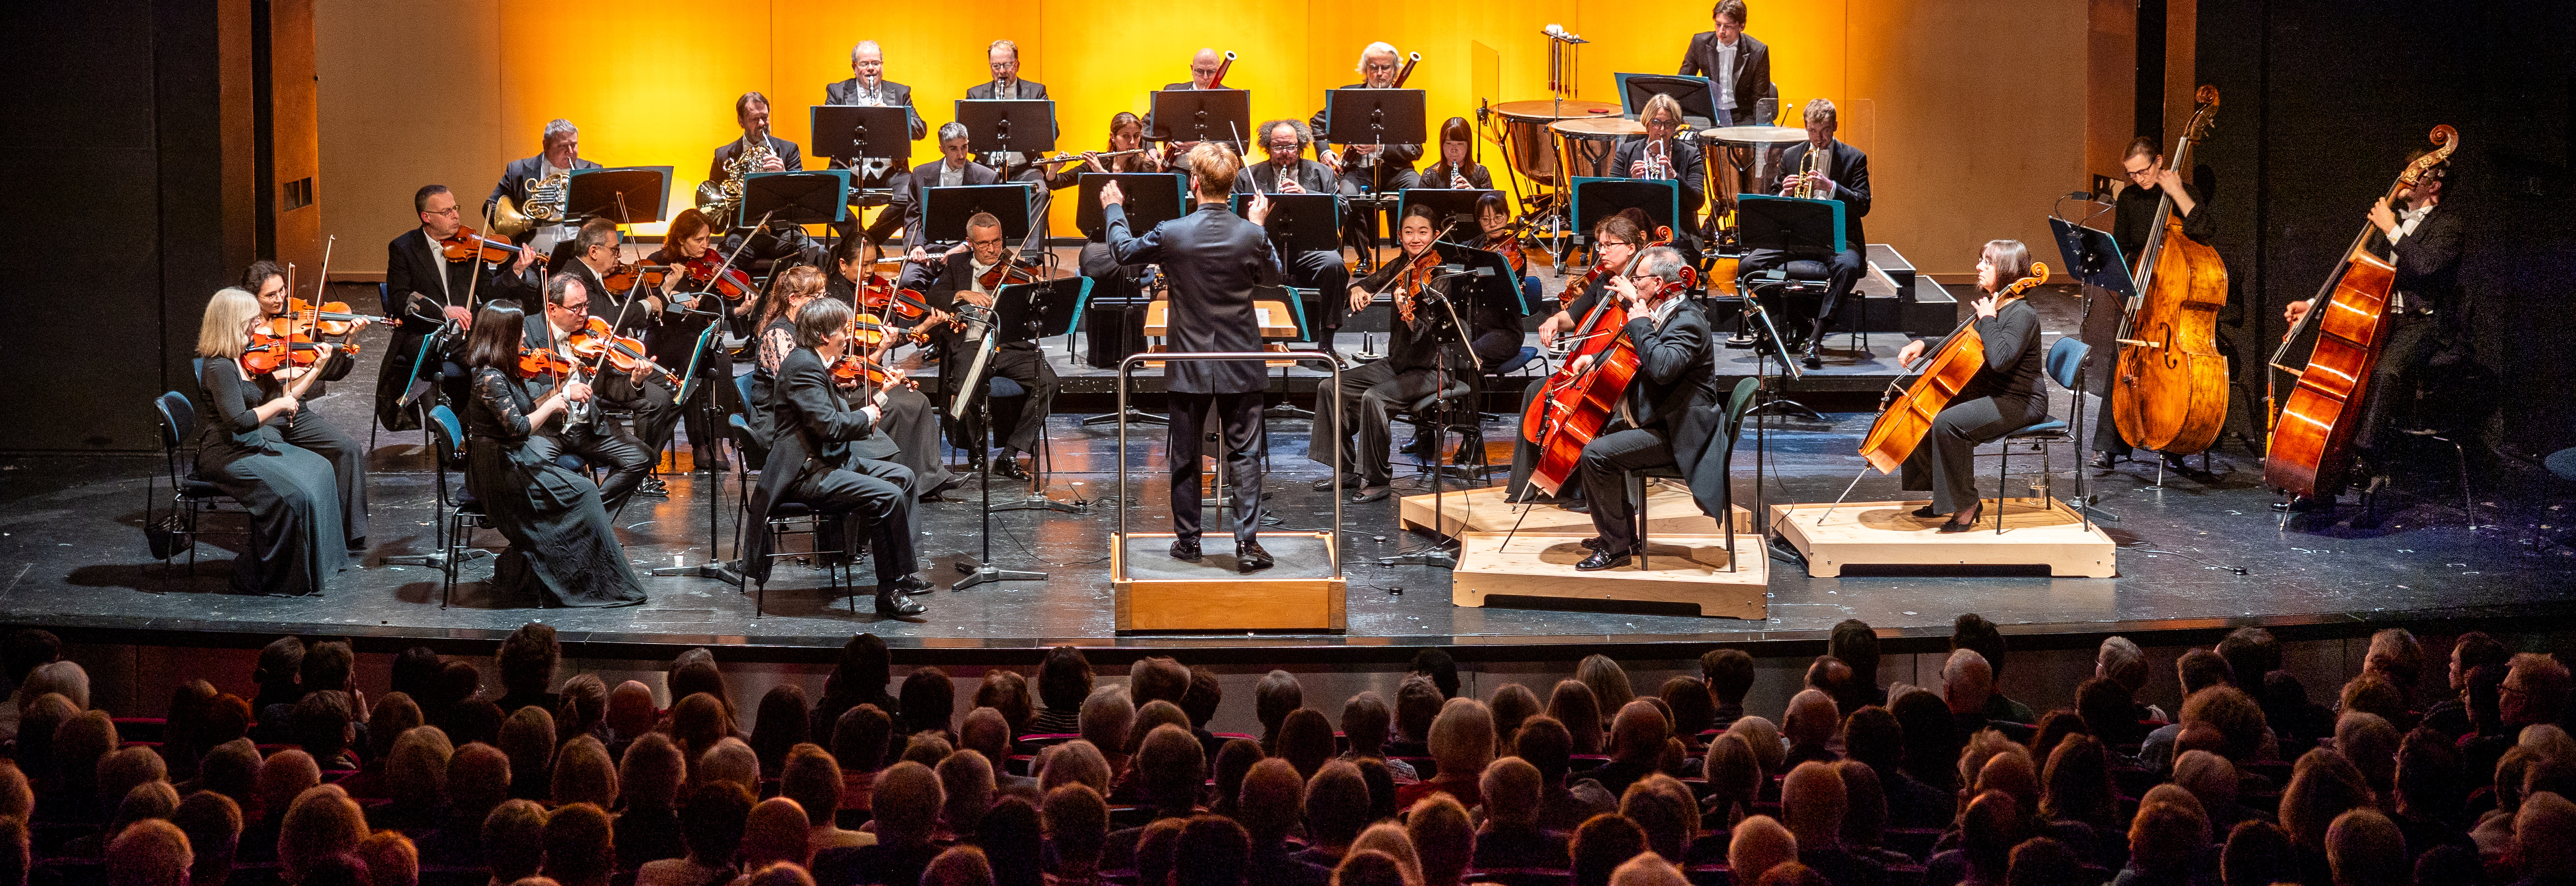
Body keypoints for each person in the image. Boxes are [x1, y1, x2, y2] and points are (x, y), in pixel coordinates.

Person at [1100, 141, 1282, 571]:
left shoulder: (1174, 231)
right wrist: (1259, 225)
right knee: (1245, 455)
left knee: (1185, 454)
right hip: (1242, 359)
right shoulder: (1251, 233)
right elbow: (1274, 278)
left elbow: (1124, 254)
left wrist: (1114, 209)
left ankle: (1188, 542)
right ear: (1232, 185)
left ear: (1194, 184)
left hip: (1188, 359)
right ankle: (1247, 543)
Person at [2277, 148, 2460, 512]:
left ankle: (2364, 460)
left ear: (2434, 184)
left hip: (2420, 323)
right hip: (2377, 318)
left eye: (2416, 175)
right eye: (2406, 171)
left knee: (2385, 371)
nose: (2407, 179)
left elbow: (2425, 267)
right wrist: (2316, 303)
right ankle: (2319, 476)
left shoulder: (2448, 225)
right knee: (2345, 376)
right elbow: (2359, 275)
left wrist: (2391, 228)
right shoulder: (2390, 221)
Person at [735, 295, 931, 616]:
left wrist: (876, 402)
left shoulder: (814, 363)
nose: (848, 337)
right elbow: (830, 427)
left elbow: (834, 420)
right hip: (806, 472)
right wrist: (870, 412)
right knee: (888, 496)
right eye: (844, 330)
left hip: (827, 458)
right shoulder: (802, 368)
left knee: (903, 477)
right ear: (825, 336)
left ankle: (901, 573)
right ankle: (889, 591)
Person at [455, 301, 647, 608]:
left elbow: (526, 409)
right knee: (583, 493)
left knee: (583, 490)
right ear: (503, 336)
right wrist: (555, 400)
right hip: (500, 470)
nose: (523, 340)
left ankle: (584, 576)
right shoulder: (488, 378)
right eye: (518, 334)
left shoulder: (504, 371)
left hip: (513, 459)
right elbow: (519, 427)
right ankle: (589, 582)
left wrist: (563, 393)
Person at [1565, 245, 1722, 570]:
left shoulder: (1688, 322)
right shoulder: (1663, 311)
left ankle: (1616, 547)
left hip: (1680, 434)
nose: (1634, 283)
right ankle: (1623, 535)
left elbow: (1662, 367)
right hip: (1662, 419)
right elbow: (1637, 355)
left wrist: (1639, 323)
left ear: (1660, 284)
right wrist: (1594, 360)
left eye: (1639, 278)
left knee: (1596, 455)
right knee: (1600, 434)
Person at [190, 288, 350, 595]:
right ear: (232, 323)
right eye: (251, 321)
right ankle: (278, 577)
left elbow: (282, 397)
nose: (258, 326)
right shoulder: (219, 366)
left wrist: (316, 369)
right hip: (227, 452)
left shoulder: (245, 355)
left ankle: (323, 565)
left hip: (250, 442)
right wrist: (278, 407)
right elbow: (239, 421)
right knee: (297, 495)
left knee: (321, 469)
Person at [1893, 240, 2047, 531]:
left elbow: (2001, 360)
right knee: (1924, 410)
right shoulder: (1997, 304)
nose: (1979, 267)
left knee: (1948, 423)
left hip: (2020, 400)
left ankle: (1966, 504)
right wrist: (1923, 344)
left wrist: (1988, 319)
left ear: (2007, 270)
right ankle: (1945, 498)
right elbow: (1965, 344)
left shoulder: (2021, 314)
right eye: (1982, 260)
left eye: (1987, 263)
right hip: (1993, 391)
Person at [2092, 136, 2218, 470]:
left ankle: (2173, 441)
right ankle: (2109, 445)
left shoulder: (2187, 192)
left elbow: (2205, 230)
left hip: (2173, 293)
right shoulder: (2130, 198)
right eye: (2131, 174)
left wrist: (2176, 192)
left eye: (2143, 172)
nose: (2138, 179)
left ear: (2160, 162)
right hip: (2142, 289)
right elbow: (2121, 244)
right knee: (2123, 358)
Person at [1314, 205, 1454, 504]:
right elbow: (1369, 282)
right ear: (1400, 237)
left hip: (1433, 369)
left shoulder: (1442, 276)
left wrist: (1409, 315)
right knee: (1330, 387)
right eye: (1409, 232)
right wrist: (1357, 289)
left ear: (1436, 235)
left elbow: (1431, 332)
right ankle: (1347, 470)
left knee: (1373, 398)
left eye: (1423, 232)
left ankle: (1378, 479)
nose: (1416, 239)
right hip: (1399, 363)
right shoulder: (1402, 266)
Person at [1507, 213, 1647, 505]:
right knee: (1538, 390)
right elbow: (1573, 316)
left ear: (1632, 248)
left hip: (1628, 374)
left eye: (1610, 245)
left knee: (1592, 411)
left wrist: (1635, 298)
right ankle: (1531, 483)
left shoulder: (1645, 284)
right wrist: (1555, 321)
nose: (1602, 251)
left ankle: (1584, 489)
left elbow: (1653, 329)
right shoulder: (1604, 282)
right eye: (1600, 245)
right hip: (1591, 367)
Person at [379, 183, 544, 431]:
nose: (456, 215)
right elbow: (401, 299)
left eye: (455, 208)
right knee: (477, 366)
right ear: (427, 218)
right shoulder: (404, 249)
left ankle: (490, 425)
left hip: (467, 331)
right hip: (427, 333)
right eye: (447, 212)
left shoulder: (469, 246)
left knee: (497, 359)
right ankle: (462, 431)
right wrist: (444, 311)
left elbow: (489, 292)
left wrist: (516, 271)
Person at [914, 211, 1060, 480]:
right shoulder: (958, 264)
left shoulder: (1015, 266)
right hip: (971, 342)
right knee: (966, 386)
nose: (993, 249)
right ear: (970, 242)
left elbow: (1035, 313)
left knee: (1049, 381)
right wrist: (961, 294)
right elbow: (933, 295)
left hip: (1009, 344)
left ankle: (1010, 454)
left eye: (997, 241)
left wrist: (1035, 292)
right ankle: (975, 448)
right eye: (984, 244)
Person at [241, 262, 372, 551]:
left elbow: (332, 372)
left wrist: (350, 338)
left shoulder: (298, 325)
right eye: (271, 296)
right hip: (263, 417)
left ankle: (351, 535)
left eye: (282, 291)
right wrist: (276, 373)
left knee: (348, 448)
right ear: (253, 297)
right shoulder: (240, 328)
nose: (280, 300)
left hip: (295, 413)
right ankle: (297, 538)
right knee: (286, 460)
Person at [821, 236, 959, 500]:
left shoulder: (871, 292)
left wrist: (926, 325)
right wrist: (882, 349)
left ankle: (928, 480)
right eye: (864, 265)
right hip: (846, 386)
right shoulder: (833, 301)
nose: (871, 272)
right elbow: (846, 364)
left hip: (869, 378)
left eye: (874, 264)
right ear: (842, 265)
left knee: (917, 400)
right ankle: (897, 479)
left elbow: (894, 334)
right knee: (901, 404)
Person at [1737, 99, 1871, 368]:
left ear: (1835, 126)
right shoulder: (1791, 156)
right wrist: (1784, 193)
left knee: (1848, 267)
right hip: (1796, 235)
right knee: (1748, 266)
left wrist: (1832, 187)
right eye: (1812, 131)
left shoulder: (1854, 158)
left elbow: (1864, 204)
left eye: (1823, 131)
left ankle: (1815, 338)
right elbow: (1773, 200)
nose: (1818, 139)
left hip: (1837, 238)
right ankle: (1796, 322)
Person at [521, 270, 660, 512]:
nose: (585, 313)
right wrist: (563, 391)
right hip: (547, 429)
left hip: (588, 426)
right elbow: (526, 390)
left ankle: (593, 517)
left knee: (641, 457)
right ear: (552, 308)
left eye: (586, 304)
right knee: (530, 466)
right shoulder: (528, 331)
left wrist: (635, 381)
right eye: (576, 308)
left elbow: (610, 388)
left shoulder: (592, 333)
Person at [1236, 119, 1354, 358]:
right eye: (1278, 147)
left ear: (1300, 145)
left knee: (1334, 265)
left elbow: (1342, 211)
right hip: (1264, 248)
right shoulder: (1247, 176)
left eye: (1290, 147)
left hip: (1310, 247)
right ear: (1268, 147)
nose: (1285, 154)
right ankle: (1247, 340)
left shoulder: (1321, 174)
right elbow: (1235, 217)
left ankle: (1327, 343)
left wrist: (1307, 196)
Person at [641, 207, 742, 474]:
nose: (706, 246)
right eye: (699, 240)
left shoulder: (707, 266)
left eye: (709, 239)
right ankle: (700, 444)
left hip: (697, 334)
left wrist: (737, 312)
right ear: (680, 239)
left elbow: (712, 309)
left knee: (720, 359)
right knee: (697, 360)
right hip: (666, 337)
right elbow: (650, 308)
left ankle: (716, 442)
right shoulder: (658, 263)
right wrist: (672, 295)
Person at [1313, 43, 1425, 264]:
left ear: (1395, 70)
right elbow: (1317, 125)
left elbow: (1416, 150)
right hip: (1359, 171)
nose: (1380, 73)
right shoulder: (1347, 96)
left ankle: (1408, 256)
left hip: (1397, 172)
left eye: (1386, 68)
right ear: (1365, 69)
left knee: (1417, 190)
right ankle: (1364, 258)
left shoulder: (1407, 101)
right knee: (1346, 195)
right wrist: (1325, 152)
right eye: (1374, 67)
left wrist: (1379, 148)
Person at [707, 92, 827, 272]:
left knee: (820, 254)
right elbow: (715, 200)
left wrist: (784, 175)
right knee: (717, 265)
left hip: (783, 233)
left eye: (765, 117)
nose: (762, 124)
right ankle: (737, 300)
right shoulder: (723, 155)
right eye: (755, 119)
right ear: (741, 121)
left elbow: (801, 197)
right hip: (742, 233)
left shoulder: (788, 150)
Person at [826, 41, 930, 246]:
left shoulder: (900, 93)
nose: (871, 68)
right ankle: (859, 244)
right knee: (827, 197)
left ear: (882, 65)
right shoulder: (837, 92)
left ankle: (867, 243)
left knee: (914, 195)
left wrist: (894, 117)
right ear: (854, 68)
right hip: (849, 169)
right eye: (865, 64)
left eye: (876, 63)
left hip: (890, 172)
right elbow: (828, 130)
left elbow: (921, 130)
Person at [964, 40, 1060, 228]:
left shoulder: (1036, 91)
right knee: (965, 191)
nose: (1002, 72)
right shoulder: (976, 94)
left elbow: (1052, 131)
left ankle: (1033, 257)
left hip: (1026, 168)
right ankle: (974, 252)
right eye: (996, 66)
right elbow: (968, 136)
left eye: (1007, 65)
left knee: (1040, 192)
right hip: (987, 168)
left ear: (1017, 65)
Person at [485, 119, 600, 253]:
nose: (570, 151)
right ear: (546, 146)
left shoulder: (593, 170)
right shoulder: (518, 171)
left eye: (574, 145)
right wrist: (522, 222)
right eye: (563, 146)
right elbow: (490, 207)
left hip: (580, 254)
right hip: (532, 254)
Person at [899, 122, 1002, 254]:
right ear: (942, 149)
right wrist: (916, 246)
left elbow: (990, 225)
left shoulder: (988, 178)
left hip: (967, 251)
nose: (961, 155)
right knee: (909, 276)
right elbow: (913, 218)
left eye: (964, 147)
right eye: (954, 149)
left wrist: (967, 245)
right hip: (928, 248)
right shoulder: (920, 174)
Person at [1609, 95, 1706, 225]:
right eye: (1656, 122)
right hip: (1635, 228)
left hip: (1677, 227)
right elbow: (1612, 198)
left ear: (1675, 125)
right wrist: (1632, 184)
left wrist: (1674, 176)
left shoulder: (1691, 154)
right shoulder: (1626, 151)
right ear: (1647, 123)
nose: (1662, 130)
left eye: (1668, 123)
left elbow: (1697, 202)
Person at [1678, 0, 1777, 127]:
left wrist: (1762, 130)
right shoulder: (1700, 43)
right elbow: (1683, 83)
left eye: (1728, 26)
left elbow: (1760, 99)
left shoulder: (1758, 51)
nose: (1721, 31)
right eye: (1718, 25)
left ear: (1742, 26)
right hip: (1709, 114)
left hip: (1742, 116)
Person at [1418, 118, 1494, 190]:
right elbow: (1419, 204)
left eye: (1460, 144)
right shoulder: (1430, 175)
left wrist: (1473, 192)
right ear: (1442, 145)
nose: (1454, 150)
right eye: (1449, 143)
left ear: (1468, 146)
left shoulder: (1481, 173)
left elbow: (1492, 203)